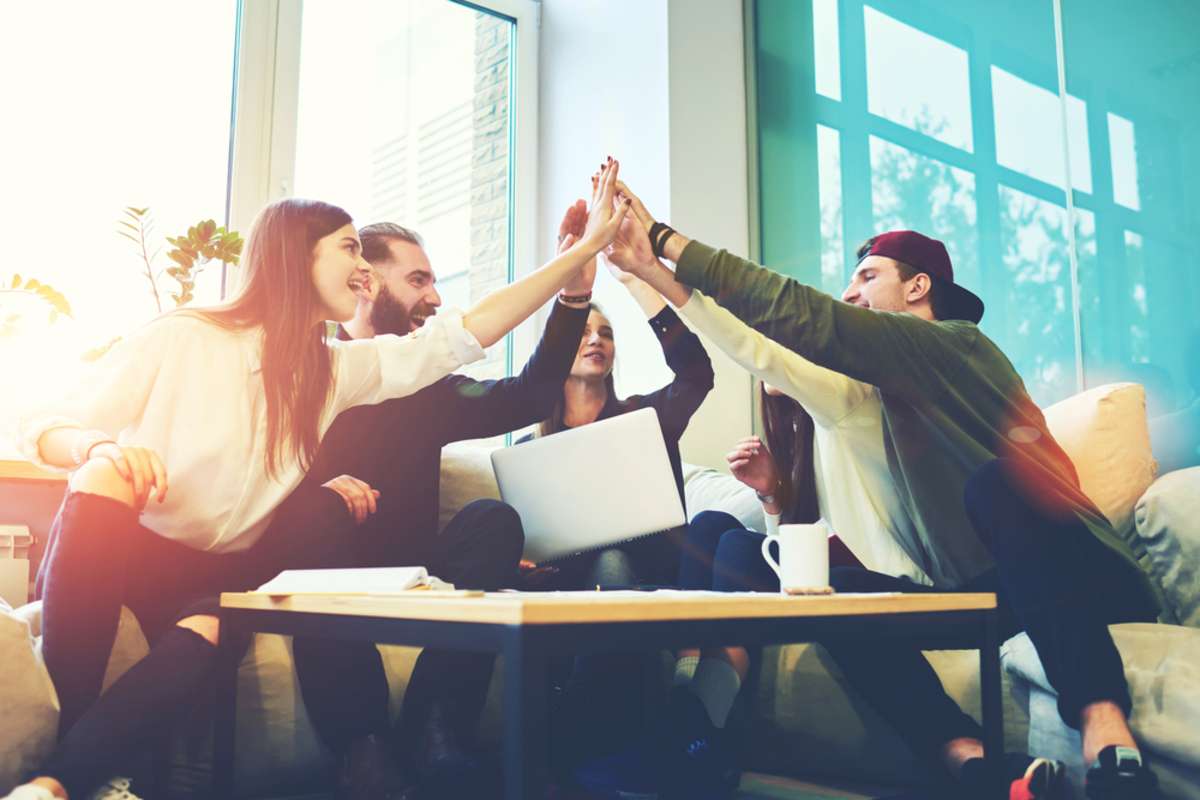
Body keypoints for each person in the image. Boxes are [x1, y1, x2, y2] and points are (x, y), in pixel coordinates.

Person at [5, 163, 629, 800]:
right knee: (103, 473)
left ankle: (56, 784)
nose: (360, 269)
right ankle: (74, 748)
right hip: (140, 547)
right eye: (349, 247)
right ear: (295, 255)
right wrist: (101, 445)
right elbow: (43, 422)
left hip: (224, 578)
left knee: (206, 630)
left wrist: (578, 261)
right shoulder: (184, 335)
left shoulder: (331, 372)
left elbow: (462, 335)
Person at [604, 178, 1162, 800]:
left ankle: (1109, 744)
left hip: (1081, 573)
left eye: (866, 277)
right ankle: (973, 763)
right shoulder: (873, 396)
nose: (850, 293)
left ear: (917, 286)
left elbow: (802, 320)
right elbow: (760, 348)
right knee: (830, 597)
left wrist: (663, 241)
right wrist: (649, 276)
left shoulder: (955, 346)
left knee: (996, 486)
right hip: (988, 594)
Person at [281, 200, 596, 799]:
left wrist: (573, 296)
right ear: (367, 282)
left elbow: (528, 396)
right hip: (330, 573)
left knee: (493, 521)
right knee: (317, 548)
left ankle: (436, 730)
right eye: (419, 280)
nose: (434, 297)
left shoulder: (429, 383)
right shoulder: (310, 374)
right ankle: (365, 751)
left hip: (414, 573)